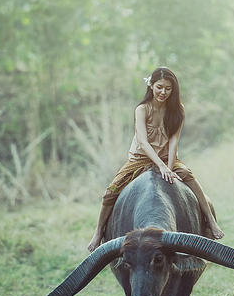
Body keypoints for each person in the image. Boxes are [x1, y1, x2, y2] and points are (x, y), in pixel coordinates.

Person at [87, 67, 224, 252]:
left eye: (168, 88)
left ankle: (211, 221)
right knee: (109, 193)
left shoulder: (177, 110)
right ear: (151, 85)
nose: (163, 92)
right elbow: (143, 142)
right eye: (159, 87)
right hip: (140, 158)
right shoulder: (142, 109)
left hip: (168, 158)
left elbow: (174, 141)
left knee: (190, 178)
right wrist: (160, 166)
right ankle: (98, 232)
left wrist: (169, 166)